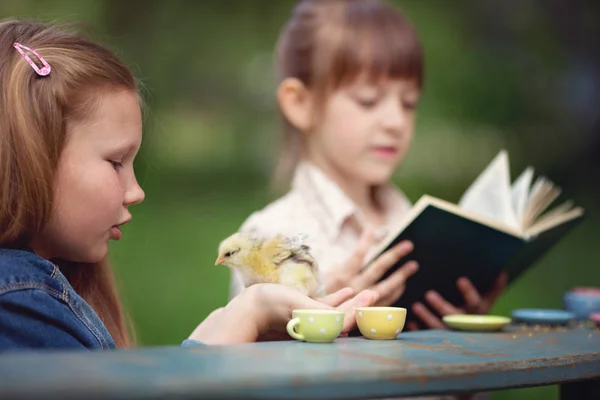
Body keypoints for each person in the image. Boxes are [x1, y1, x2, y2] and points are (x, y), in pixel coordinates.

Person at [0, 19, 378, 351]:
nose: (136, 192)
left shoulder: (42, 288)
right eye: (116, 162)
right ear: (35, 159)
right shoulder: (19, 300)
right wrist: (245, 315)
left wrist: (242, 328)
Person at [231, 0, 507, 330]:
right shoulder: (266, 238)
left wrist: (462, 326)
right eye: (368, 100)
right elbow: (246, 359)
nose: (396, 122)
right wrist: (316, 309)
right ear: (300, 103)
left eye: (409, 103)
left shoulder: (407, 218)